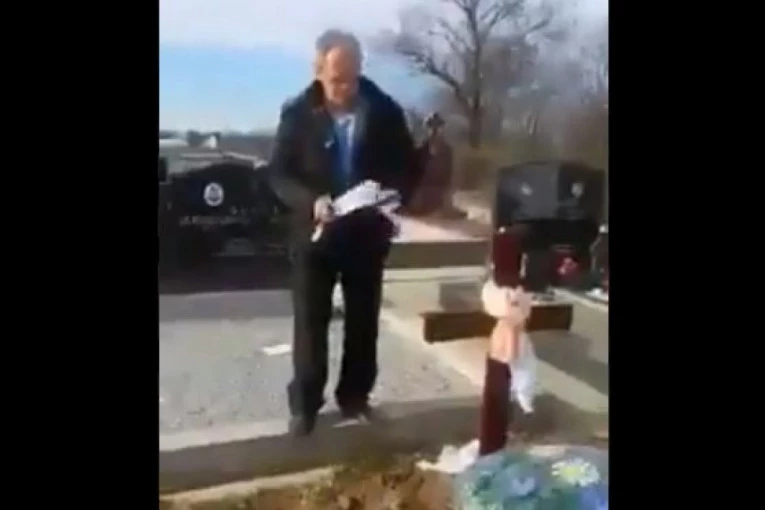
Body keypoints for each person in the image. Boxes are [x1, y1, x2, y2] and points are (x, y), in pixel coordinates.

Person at [269, 29, 418, 436]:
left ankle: (355, 397)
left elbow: (406, 167)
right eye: (337, 80)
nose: (346, 88)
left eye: (352, 78)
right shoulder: (297, 113)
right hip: (314, 235)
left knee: (363, 321)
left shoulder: (384, 110)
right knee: (310, 322)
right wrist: (310, 201)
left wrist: (393, 196)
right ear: (318, 71)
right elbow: (279, 175)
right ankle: (305, 406)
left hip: (366, 232)